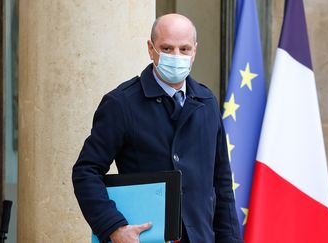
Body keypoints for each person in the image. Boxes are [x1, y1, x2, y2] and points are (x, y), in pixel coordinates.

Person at [72, 13, 243, 243]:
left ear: (195, 51)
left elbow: (221, 183)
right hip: (147, 238)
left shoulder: (207, 102)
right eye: (167, 48)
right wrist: (114, 227)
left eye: (184, 49)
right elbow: (86, 172)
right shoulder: (121, 104)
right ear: (151, 49)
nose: (176, 56)